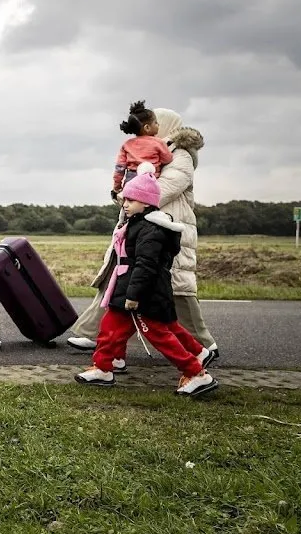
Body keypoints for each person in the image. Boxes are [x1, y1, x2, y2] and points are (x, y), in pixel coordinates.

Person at [67, 107, 219, 371]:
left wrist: (128, 194)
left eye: (160, 122)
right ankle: (98, 338)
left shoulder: (180, 156)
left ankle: (202, 346)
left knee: (175, 292)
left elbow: (161, 190)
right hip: (139, 227)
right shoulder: (148, 150)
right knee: (118, 282)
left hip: (164, 228)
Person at [75, 164, 218, 397]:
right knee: (110, 329)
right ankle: (103, 368)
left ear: (146, 201)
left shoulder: (151, 229)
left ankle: (196, 374)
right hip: (127, 288)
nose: (125, 204)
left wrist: (133, 295)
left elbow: (146, 265)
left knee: (159, 335)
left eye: (130, 200)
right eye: (125, 200)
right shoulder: (137, 225)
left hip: (142, 293)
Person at [111, 100, 173, 203]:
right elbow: (168, 159)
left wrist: (117, 187)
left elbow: (119, 168)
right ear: (147, 127)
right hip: (151, 180)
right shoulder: (158, 143)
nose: (158, 125)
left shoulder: (126, 144)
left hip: (131, 181)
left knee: (130, 209)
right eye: (155, 122)